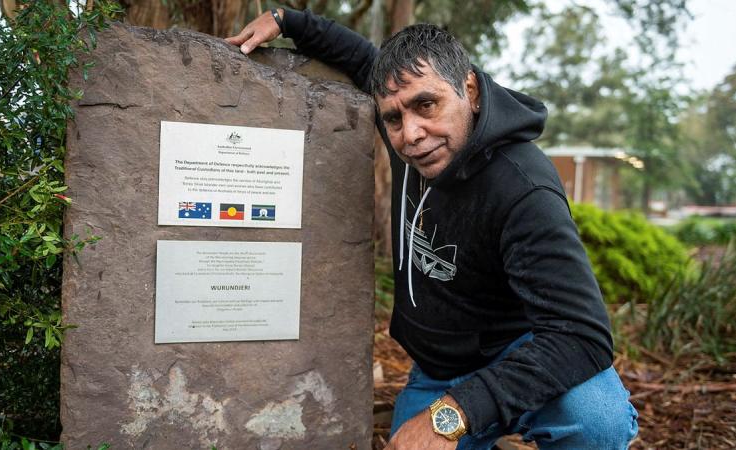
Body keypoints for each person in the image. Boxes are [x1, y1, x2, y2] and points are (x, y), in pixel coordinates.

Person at [227, 9, 639, 450]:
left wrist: (454, 415)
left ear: (471, 91)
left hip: (519, 356)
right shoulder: (412, 130)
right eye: (393, 118)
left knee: (598, 423)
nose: (411, 135)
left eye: (428, 105)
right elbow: (363, 58)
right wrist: (286, 20)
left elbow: (582, 336)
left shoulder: (524, 188)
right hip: (439, 371)